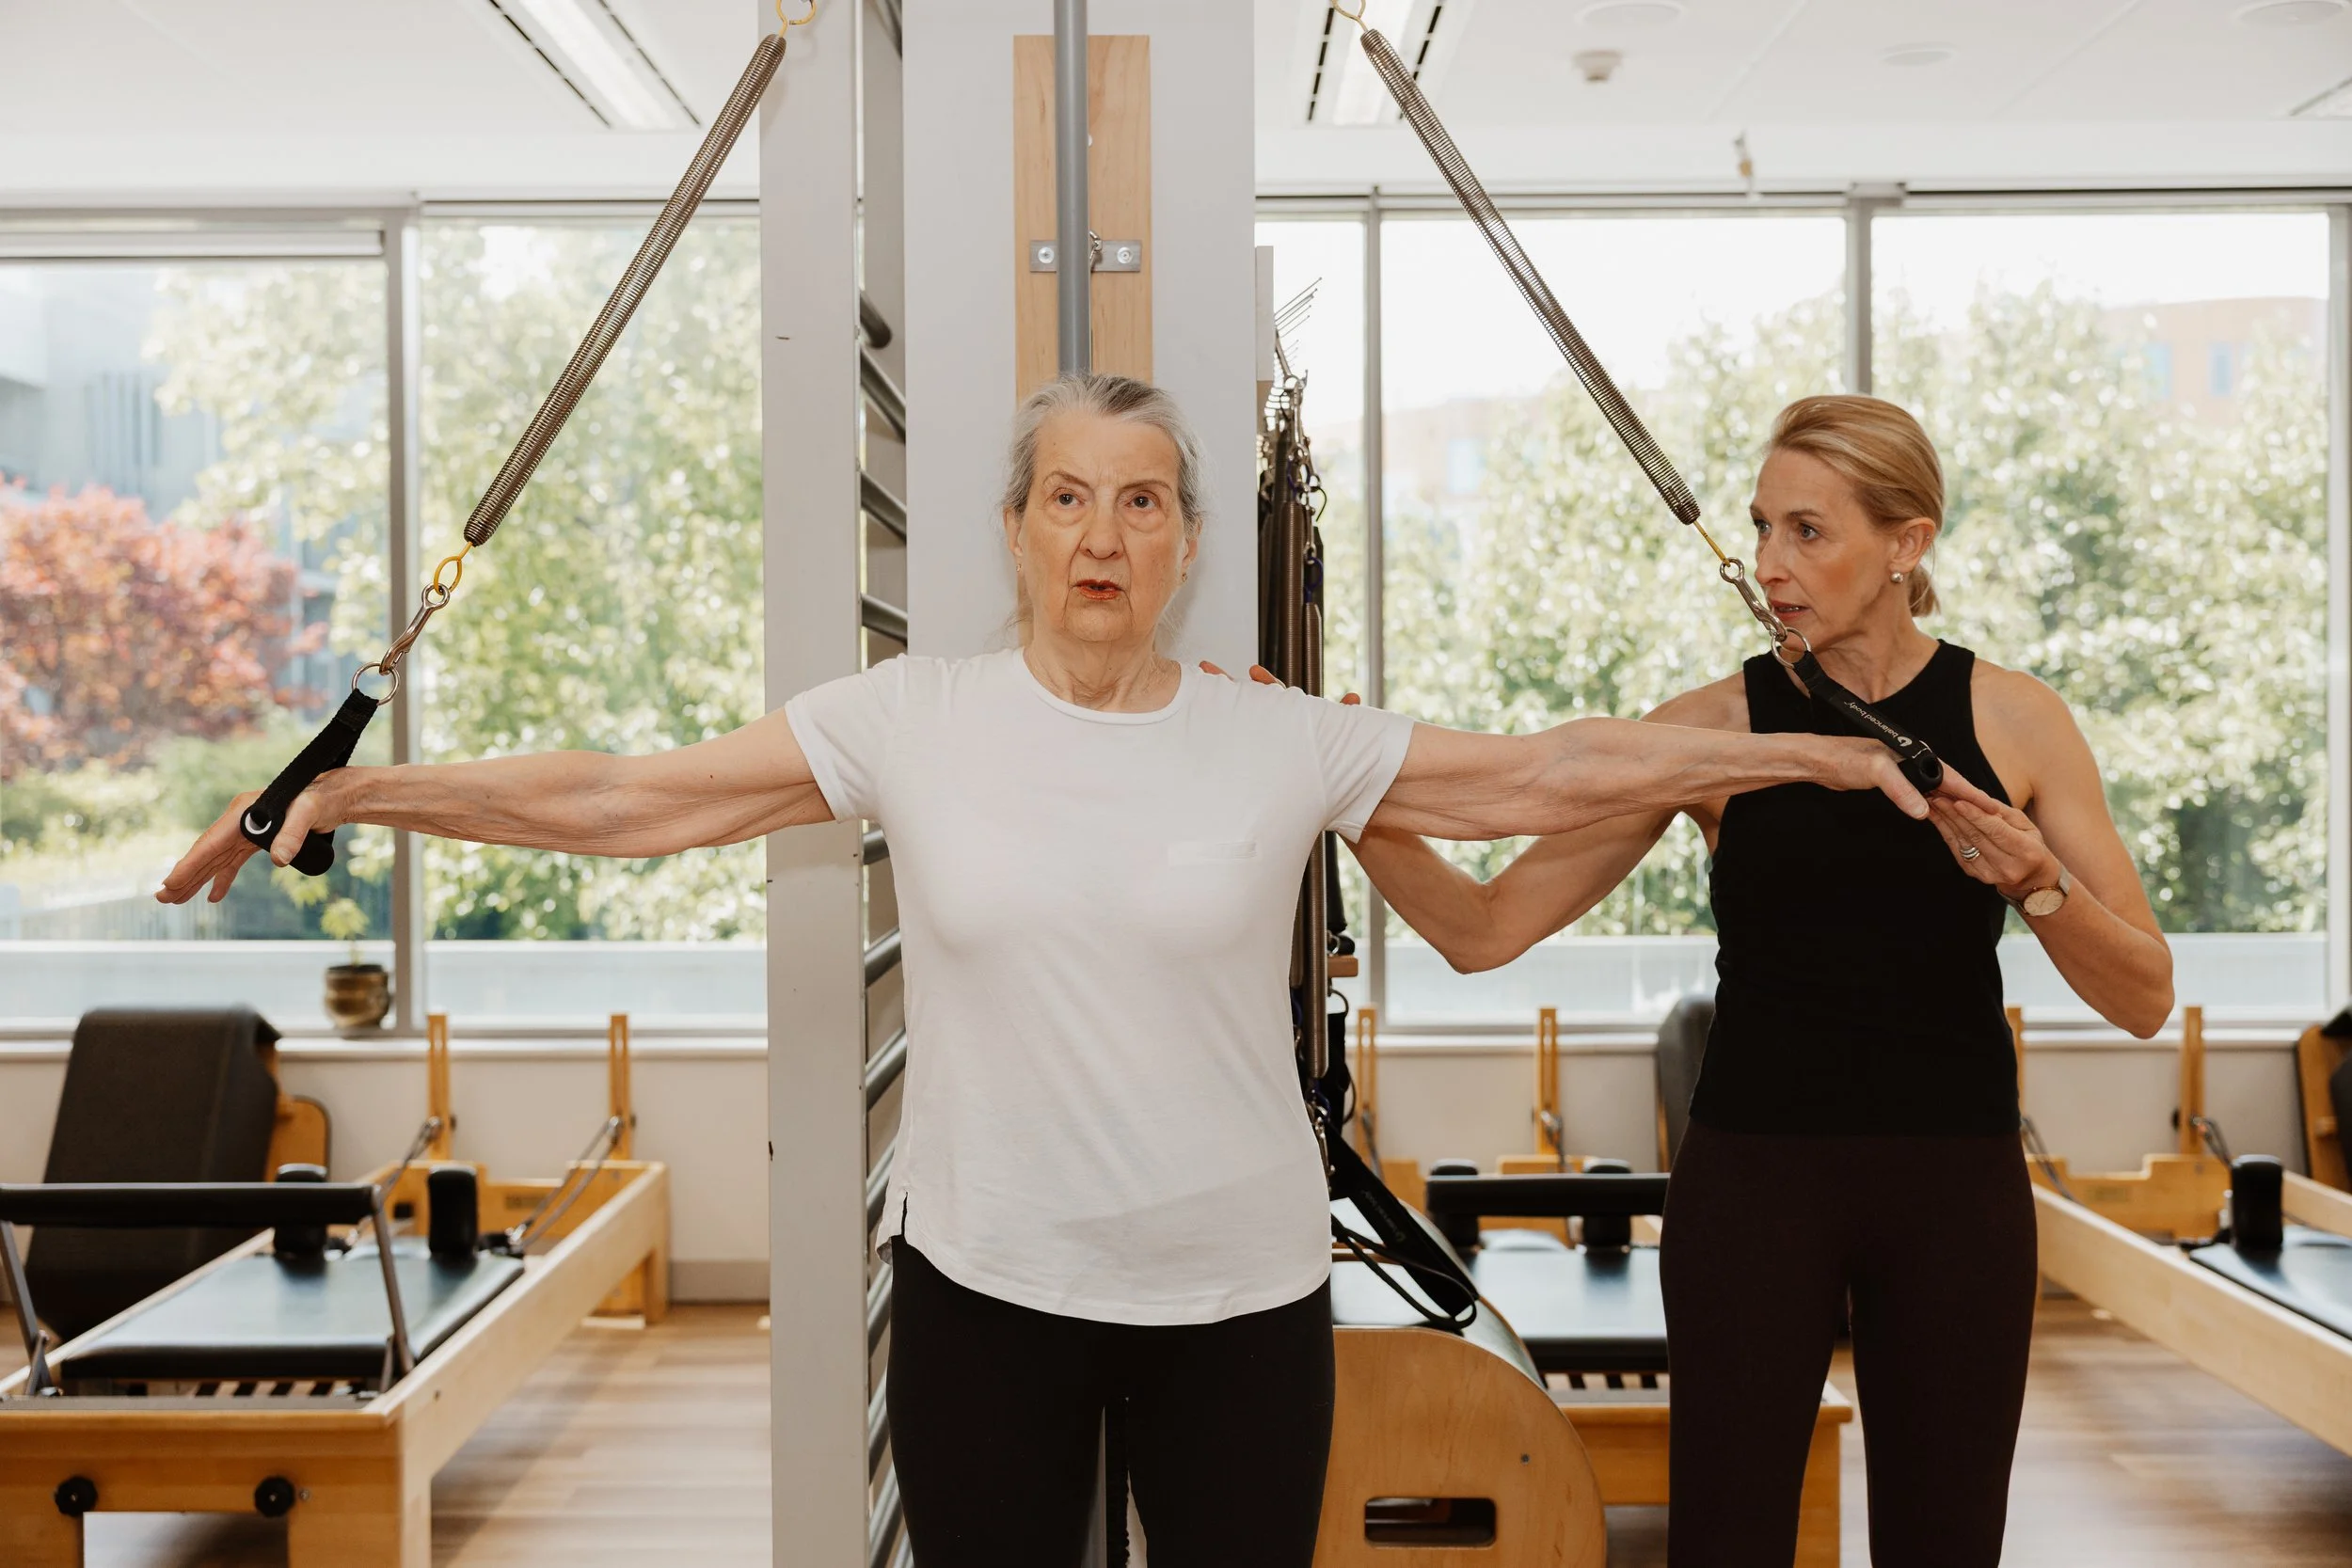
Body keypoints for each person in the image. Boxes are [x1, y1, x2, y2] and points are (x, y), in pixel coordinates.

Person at [161, 374, 1939, 1568]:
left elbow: (1550, 773)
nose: (1105, 535)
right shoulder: (912, 719)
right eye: (1070, 497)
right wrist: (357, 788)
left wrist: (1812, 753)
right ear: (1015, 527)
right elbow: (632, 797)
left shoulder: (1275, 735)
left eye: (1145, 502)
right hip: (987, 1288)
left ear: (1184, 541)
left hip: (1241, 1303)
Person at [1345, 394, 2173, 1567]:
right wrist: (1348, 793)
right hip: (1754, 1193)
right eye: (1761, 527)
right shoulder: (1714, 731)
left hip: (1955, 1196)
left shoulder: (2016, 720)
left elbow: (2142, 992)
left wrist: (2036, 882)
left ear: (1906, 542)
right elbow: (1485, 927)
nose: (1770, 564)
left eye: (1807, 531)